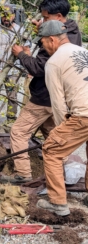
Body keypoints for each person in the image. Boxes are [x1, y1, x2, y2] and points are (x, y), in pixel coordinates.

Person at [0, 0, 82, 184]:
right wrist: (44, 28)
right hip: (58, 97)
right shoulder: (73, 31)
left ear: (58, 16)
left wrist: (22, 55)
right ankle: (65, 168)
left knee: (18, 132)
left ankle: (23, 174)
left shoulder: (55, 42)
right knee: (53, 134)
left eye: (46, 18)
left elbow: (39, 68)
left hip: (44, 96)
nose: (42, 21)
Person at [35, 20, 88, 216]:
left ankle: (58, 203)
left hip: (84, 114)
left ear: (52, 39)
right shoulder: (83, 52)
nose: (43, 47)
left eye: (42, 43)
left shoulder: (54, 62)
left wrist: (59, 132)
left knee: (51, 150)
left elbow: (57, 104)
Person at [0, 4, 31, 123]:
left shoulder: (20, 31)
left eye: (8, 15)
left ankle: (11, 120)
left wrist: (29, 68)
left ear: (14, 16)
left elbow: (26, 50)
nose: (6, 18)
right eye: (3, 15)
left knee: (12, 96)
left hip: (13, 70)